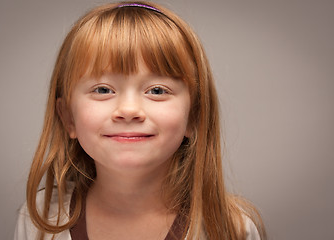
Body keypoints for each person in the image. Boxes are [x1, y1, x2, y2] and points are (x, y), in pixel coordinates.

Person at [14, 1, 266, 240]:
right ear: (68, 117)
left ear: (194, 117)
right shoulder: (40, 217)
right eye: (103, 90)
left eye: (157, 91)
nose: (129, 110)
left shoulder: (230, 229)